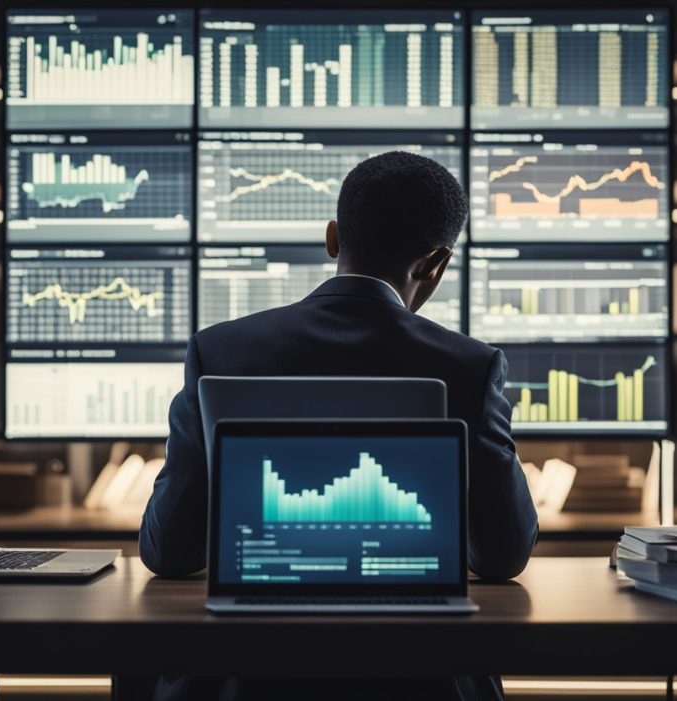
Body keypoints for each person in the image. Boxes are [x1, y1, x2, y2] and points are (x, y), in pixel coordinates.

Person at [139, 151, 538, 701]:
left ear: (333, 237)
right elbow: (502, 556)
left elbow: (170, 553)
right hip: (420, 685)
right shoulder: (471, 366)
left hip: (240, 683)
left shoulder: (220, 349)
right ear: (436, 262)